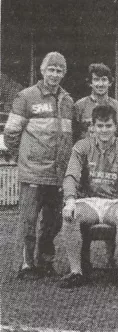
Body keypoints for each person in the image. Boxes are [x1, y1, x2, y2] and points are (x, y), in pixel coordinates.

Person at [5, 52, 74, 280]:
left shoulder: (67, 101)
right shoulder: (26, 97)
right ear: (42, 71)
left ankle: (45, 261)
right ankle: (27, 264)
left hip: (57, 175)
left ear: (64, 74)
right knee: (28, 221)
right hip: (33, 173)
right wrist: (22, 159)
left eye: (59, 70)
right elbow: (11, 134)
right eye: (51, 69)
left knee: (53, 223)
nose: (54, 74)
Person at [58, 105, 118, 289]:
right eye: (100, 126)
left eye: (108, 126)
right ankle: (76, 272)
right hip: (90, 202)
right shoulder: (82, 146)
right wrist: (70, 200)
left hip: (115, 201)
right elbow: (71, 175)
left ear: (115, 126)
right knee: (70, 215)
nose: (104, 130)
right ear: (93, 127)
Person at [73, 63, 118, 142]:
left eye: (104, 79)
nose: (100, 84)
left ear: (110, 83)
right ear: (90, 83)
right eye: (96, 79)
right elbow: (74, 136)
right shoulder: (79, 106)